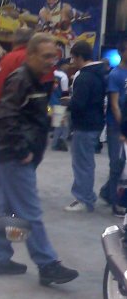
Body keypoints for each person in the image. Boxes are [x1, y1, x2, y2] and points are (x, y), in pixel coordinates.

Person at [0, 33, 78, 286]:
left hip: (10, 154)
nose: (51, 61)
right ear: (31, 55)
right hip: (14, 156)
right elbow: (6, 119)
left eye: (54, 57)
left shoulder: (35, 80)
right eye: (46, 56)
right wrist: (21, 150)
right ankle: (47, 263)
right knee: (29, 211)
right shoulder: (21, 80)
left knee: (8, 209)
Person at [64, 41, 105, 213]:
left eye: (73, 58)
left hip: (84, 125)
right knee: (87, 162)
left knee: (82, 163)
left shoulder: (84, 77)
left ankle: (83, 198)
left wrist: (68, 102)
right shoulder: (100, 73)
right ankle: (87, 195)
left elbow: (79, 103)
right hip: (95, 122)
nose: (72, 62)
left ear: (80, 57)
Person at [99, 40, 127, 216]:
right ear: (121, 52)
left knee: (123, 162)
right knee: (116, 163)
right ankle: (115, 201)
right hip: (116, 125)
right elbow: (114, 104)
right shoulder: (115, 75)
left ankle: (107, 192)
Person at [50, 59, 70, 151]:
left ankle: (57, 142)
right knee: (62, 125)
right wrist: (66, 104)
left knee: (58, 124)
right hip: (59, 103)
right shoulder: (64, 77)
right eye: (67, 64)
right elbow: (65, 94)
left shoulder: (52, 73)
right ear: (62, 65)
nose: (68, 66)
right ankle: (56, 143)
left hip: (49, 104)